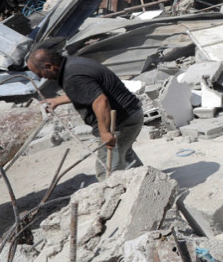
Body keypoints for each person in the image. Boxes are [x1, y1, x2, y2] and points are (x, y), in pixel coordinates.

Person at [27, 48, 143, 181]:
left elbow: (100, 101)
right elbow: (86, 91)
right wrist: (57, 100)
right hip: (131, 114)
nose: (40, 77)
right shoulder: (73, 64)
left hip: (121, 122)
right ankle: (146, 183)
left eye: (39, 73)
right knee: (125, 156)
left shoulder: (72, 75)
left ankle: (121, 196)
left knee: (107, 171)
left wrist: (104, 132)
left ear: (49, 66)